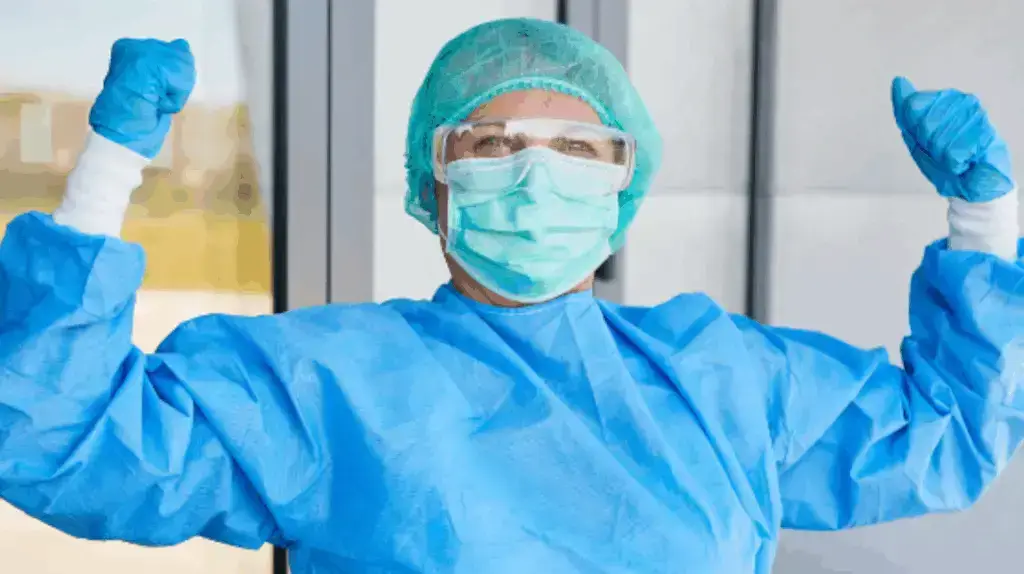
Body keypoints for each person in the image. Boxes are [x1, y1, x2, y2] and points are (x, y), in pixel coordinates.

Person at [0, 17, 1020, 574]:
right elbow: (61, 440)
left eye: (578, 149)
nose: (536, 176)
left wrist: (983, 215)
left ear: (623, 189)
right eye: (491, 143)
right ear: (432, 185)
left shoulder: (721, 380)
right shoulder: (324, 385)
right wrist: (108, 167)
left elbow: (945, 435)